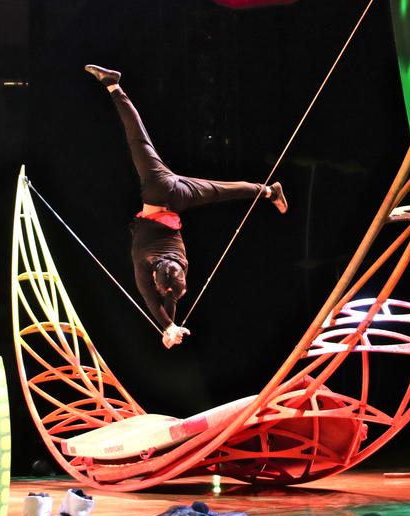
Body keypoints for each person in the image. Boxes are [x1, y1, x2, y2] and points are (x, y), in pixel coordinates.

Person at [85, 65, 288, 349]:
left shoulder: (178, 267)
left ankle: (268, 191)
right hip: (159, 191)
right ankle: (113, 86)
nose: (165, 292)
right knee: (138, 140)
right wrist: (168, 326)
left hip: (178, 197)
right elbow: (153, 299)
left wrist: (171, 327)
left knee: (222, 191)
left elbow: (167, 296)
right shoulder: (147, 263)